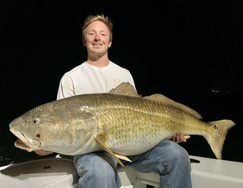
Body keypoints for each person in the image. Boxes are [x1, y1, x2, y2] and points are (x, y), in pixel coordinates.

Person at [37, 14, 192, 188]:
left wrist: (166, 134)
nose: (97, 38)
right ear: (84, 40)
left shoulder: (124, 74)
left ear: (109, 41)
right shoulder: (71, 78)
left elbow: (138, 119)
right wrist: (45, 144)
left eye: (103, 34)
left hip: (131, 147)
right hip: (92, 151)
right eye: (91, 34)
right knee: (100, 171)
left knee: (178, 155)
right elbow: (62, 125)